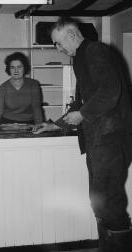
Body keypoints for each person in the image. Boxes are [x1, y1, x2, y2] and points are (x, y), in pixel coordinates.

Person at [35, 17, 132, 252]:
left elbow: (110, 92)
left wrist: (82, 115)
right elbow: (81, 104)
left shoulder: (94, 51)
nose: (58, 49)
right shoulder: (82, 57)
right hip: (100, 142)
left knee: (109, 204)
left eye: (58, 43)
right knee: (100, 202)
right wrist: (56, 125)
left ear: (71, 35)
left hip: (110, 142)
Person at [0, 52, 43, 126]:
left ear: (24, 68)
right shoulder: (3, 88)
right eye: (12, 67)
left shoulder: (33, 84)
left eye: (19, 67)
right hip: (7, 124)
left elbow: (36, 108)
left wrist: (39, 125)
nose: (16, 70)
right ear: (9, 69)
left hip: (29, 124)